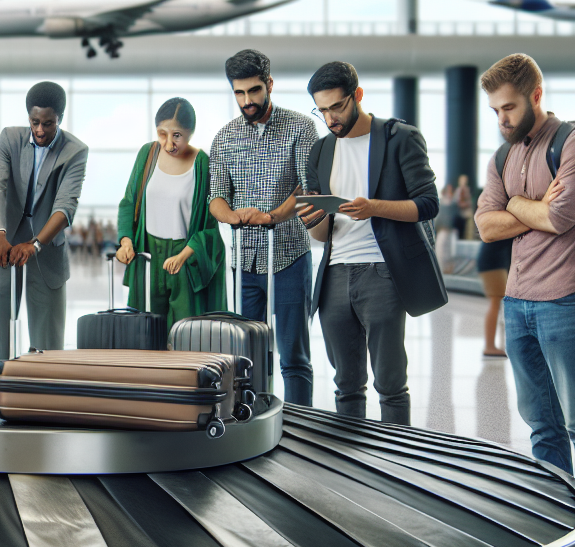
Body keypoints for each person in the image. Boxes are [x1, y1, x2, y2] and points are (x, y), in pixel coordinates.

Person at [474, 53, 575, 547]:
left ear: (535, 96)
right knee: (541, 427)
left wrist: (514, 206)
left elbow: (563, 217)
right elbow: (484, 226)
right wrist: (523, 209)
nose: (502, 119)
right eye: (495, 111)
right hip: (518, 303)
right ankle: (560, 528)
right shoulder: (502, 155)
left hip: (566, 300)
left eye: (509, 107)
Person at [296, 62, 445, 426]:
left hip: (383, 271)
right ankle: (354, 468)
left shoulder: (399, 138)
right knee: (346, 384)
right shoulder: (319, 151)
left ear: (357, 96)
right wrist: (313, 221)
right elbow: (321, 235)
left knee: (390, 383)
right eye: (322, 110)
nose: (330, 118)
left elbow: (428, 204)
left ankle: (397, 466)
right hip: (333, 274)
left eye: (337, 107)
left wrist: (373, 207)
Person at [207, 49, 317, 406]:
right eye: (239, 93)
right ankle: (250, 421)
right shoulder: (224, 138)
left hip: (289, 257)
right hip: (245, 263)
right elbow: (217, 198)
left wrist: (271, 217)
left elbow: (307, 188)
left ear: (269, 84)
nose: (247, 100)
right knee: (244, 355)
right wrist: (233, 215)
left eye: (254, 91)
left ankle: (302, 425)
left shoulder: (301, 127)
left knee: (293, 356)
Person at [0, 81, 88, 358]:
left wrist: (36, 244)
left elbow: (65, 207)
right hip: (5, 243)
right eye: (35, 121)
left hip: (46, 246)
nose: (40, 130)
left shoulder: (75, 151)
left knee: (47, 344)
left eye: (48, 123)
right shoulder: (9, 138)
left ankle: (45, 387)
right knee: (1, 338)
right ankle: (0, 382)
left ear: (60, 119)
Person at [114, 97, 226, 324]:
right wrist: (126, 241)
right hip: (147, 252)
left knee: (186, 332)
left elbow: (210, 227)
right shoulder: (147, 155)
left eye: (177, 136)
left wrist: (185, 255)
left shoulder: (202, 164)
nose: (168, 143)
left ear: (190, 133)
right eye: (162, 133)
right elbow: (129, 202)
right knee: (145, 329)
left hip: (184, 257)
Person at [478, 236, 512, 358]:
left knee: (496, 303)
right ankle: (489, 346)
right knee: (495, 302)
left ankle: (492, 345)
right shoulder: (503, 223)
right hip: (493, 264)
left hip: (493, 263)